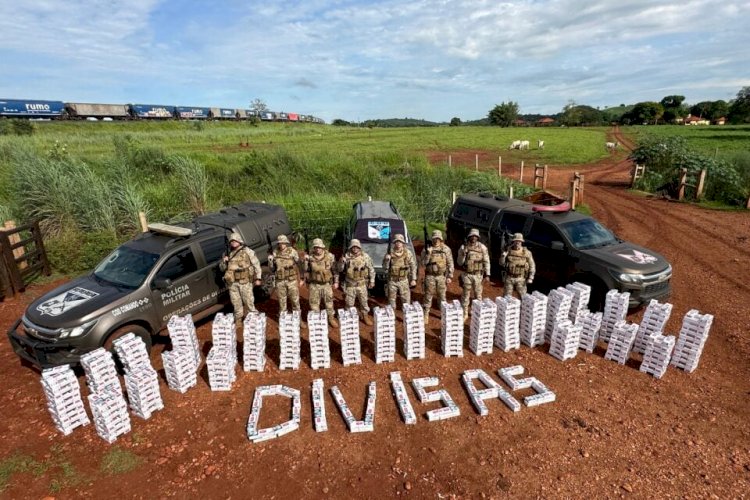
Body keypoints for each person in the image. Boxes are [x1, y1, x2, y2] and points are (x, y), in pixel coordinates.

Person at [219, 232, 262, 327]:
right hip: (232, 282)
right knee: (236, 302)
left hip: (244, 281)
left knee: (248, 301)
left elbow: (256, 265)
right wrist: (224, 261)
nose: (233, 242)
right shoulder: (227, 253)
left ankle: (255, 318)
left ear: (239, 241)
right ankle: (238, 319)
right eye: (231, 241)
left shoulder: (247, 251)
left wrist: (258, 278)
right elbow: (222, 269)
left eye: (235, 240)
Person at [338, 239, 375, 325]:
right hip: (350, 284)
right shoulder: (346, 257)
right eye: (353, 247)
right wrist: (341, 262)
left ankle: (365, 316)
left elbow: (371, 269)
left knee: (364, 301)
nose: (355, 248)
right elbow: (340, 270)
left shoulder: (365, 256)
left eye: (357, 247)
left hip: (362, 284)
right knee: (349, 303)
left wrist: (372, 281)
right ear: (350, 247)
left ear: (359, 247)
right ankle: (349, 317)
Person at [457, 228, 490, 321]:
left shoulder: (482, 248)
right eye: (472, 236)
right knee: (465, 295)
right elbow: (459, 262)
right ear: (469, 237)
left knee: (478, 295)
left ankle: (476, 312)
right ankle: (465, 313)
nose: (474, 238)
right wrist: (463, 254)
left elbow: (486, 261)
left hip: (478, 275)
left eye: (475, 236)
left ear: (478, 237)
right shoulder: (464, 247)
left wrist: (488, 274)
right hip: (467, 274)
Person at [304, 238, 339, 327]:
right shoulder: (310, 258)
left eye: (319, 247)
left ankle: (331, 318)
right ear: (314, 248)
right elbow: (306, 271)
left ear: (323, 248)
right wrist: (305, 262)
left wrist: (336, 281)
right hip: (315, 284)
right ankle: (317, 319)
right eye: (316, 247)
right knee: (314, 303)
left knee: (329, 302)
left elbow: (335, 270)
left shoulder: (330, 257)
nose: (318, 249)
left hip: (326, 284)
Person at [421, 229, 454, 323]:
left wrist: (450, 276)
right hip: (430, 276)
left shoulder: (446, 249)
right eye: (435, 239)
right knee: (428, 295)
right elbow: (423, 264)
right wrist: (428, 254)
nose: (436, 240)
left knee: (442, 296)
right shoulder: (427, 249)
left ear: (441, 239)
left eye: (438, 239)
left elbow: (450, 263)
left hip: (441, 276)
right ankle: (426, 313)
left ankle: (443, 313)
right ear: (432, 239)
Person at [268, 234, 303, 315]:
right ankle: (283, 319)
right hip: (280, 281)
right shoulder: (275, 252)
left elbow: (299, 264)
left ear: (286, 243)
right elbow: (273, 269)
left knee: (295, 300)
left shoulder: (292, 251)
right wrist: (270, 261)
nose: (282, 244)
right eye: (280, 243)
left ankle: (298, 318)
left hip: (291, 280)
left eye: (283, 243)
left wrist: (301, 278)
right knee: (282, 301)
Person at [382, 234, 417, 310]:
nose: (398, 243)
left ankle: (407, 316)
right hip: (392, 280)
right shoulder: (389, 253)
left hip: (403, 280)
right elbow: (385, 268)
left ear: (403, 243)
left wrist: (413, 279)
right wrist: (386, 260)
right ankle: (392, 316)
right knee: (391, 301)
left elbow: (413, 266)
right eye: (397, 242)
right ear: (394, 243)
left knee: (406, 301)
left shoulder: (407, 253)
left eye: (400, 242)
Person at [501, 233, 535, 298]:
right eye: (516, 241)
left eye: (519, 241)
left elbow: (532, 265)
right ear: (513, 241)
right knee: (506, 297)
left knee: (523, 297)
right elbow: (501, 264)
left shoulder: (526, 252)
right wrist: (503, 256)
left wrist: (531, 277)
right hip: (509, 277)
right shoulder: (508, 250)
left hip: (521, 278)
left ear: (521, 242)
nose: (517, 243)